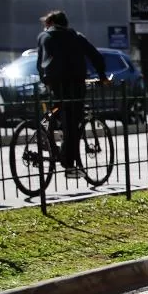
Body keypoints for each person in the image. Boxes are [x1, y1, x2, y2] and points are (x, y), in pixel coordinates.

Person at [36, 10, 108, 178]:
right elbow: (95, 56)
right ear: (66, 23)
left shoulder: (43, 37)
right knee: (72, 124)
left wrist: (45, 80)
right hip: (74, 85)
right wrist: (102, 76)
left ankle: (50, 140)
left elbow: (40, 64)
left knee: (58, 112)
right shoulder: (76, 36)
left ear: (50, 23)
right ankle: (69, 165)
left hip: (53, 85)